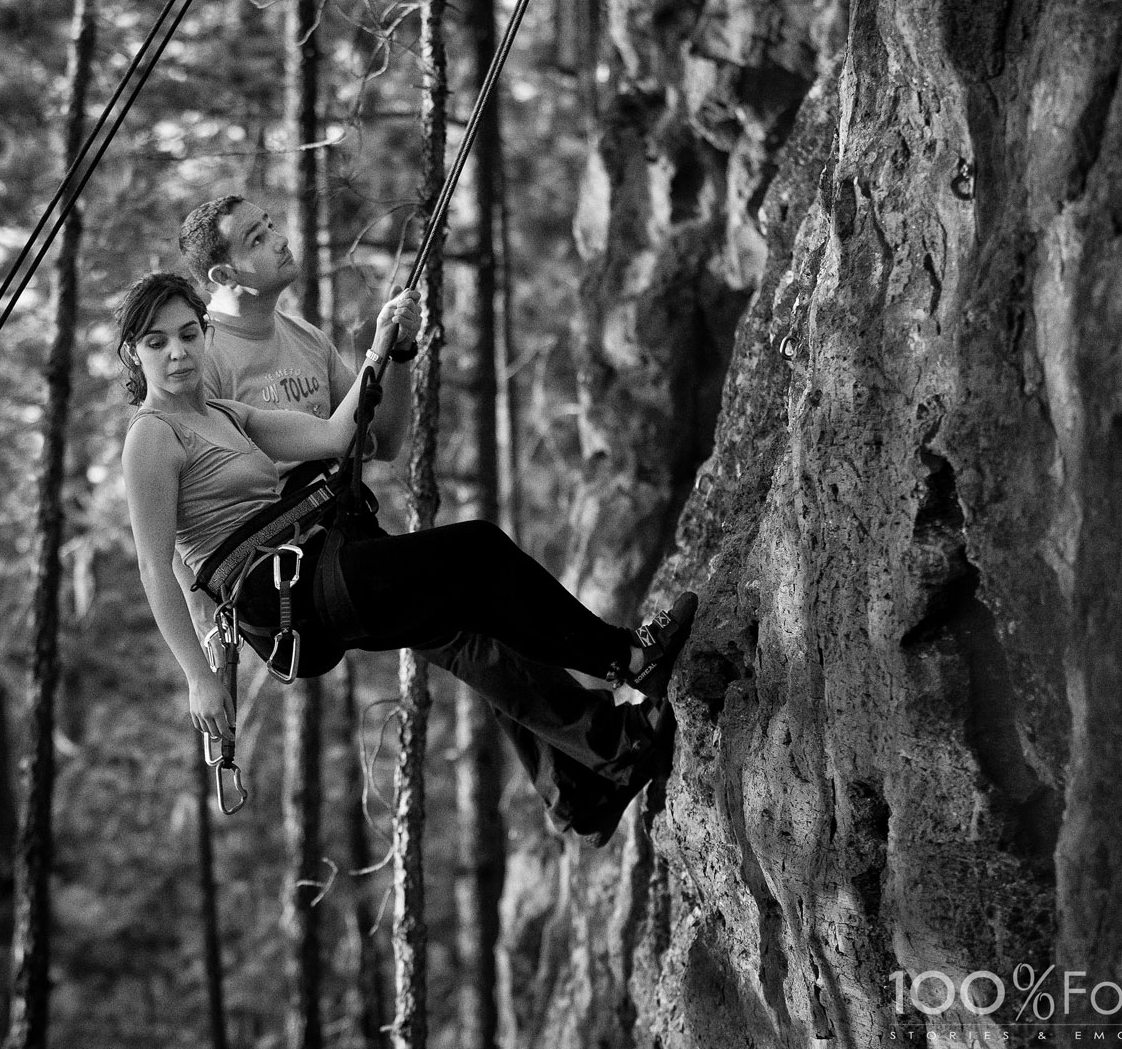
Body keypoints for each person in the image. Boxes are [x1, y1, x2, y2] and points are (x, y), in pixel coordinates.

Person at [118, 268, 695, 844]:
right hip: (290, 592)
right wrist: (198, 675)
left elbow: (339, 437)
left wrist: (382, 349)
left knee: (472, 621)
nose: (177, 353)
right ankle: (630, 658)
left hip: (316, 566)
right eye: (156, 342)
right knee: (479, 551)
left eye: (189, 335)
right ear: (133, 355)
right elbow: (154, 566)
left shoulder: (226, 414)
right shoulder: (152, 436)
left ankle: (582, 789)